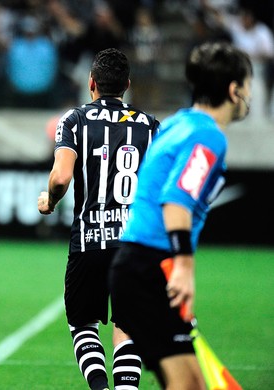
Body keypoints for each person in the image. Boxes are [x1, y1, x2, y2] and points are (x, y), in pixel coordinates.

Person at [108, 41, 252, 389]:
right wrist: (184, 267)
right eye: (247, 85)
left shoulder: (177, 124)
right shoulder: (208, 136)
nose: (249, 93)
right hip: (150, 269)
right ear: (234, 91)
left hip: (135, 265)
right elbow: (176, 200)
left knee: (189, 385)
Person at [38, 48, 160, 390]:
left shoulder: (74, 119)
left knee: (83, 323)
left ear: (91, 83)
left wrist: (49, 201)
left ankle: (100, 388)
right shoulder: (152, 127)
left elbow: (61, 178)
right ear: (127, 86)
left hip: (90, 239)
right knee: (128, 323)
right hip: (136, 244)